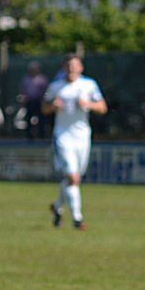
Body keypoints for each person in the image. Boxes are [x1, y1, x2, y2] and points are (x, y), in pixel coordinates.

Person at [43, 54, 106, 230]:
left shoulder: (89, 85)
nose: (71, 69)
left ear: (81, 68)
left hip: (83, 137)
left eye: (75, 65)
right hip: (63, 136)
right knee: (73, 177)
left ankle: (57, 206)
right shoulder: (55, 86)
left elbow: (102, 107)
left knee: (74, 178)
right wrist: (52, 107)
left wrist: (88, 104)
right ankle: (77, 218)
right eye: (68, 66)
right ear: (64, 68)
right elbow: (44, 107)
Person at [19, 61, 49, 140]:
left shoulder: (42, 79)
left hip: (39, 101)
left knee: (41, 119)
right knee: (28, 118)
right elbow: (23, 90)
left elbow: (46, 91)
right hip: (29, 101)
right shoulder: (26, 79)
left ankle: (41, 135)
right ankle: (29, 136)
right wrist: (23, 100)